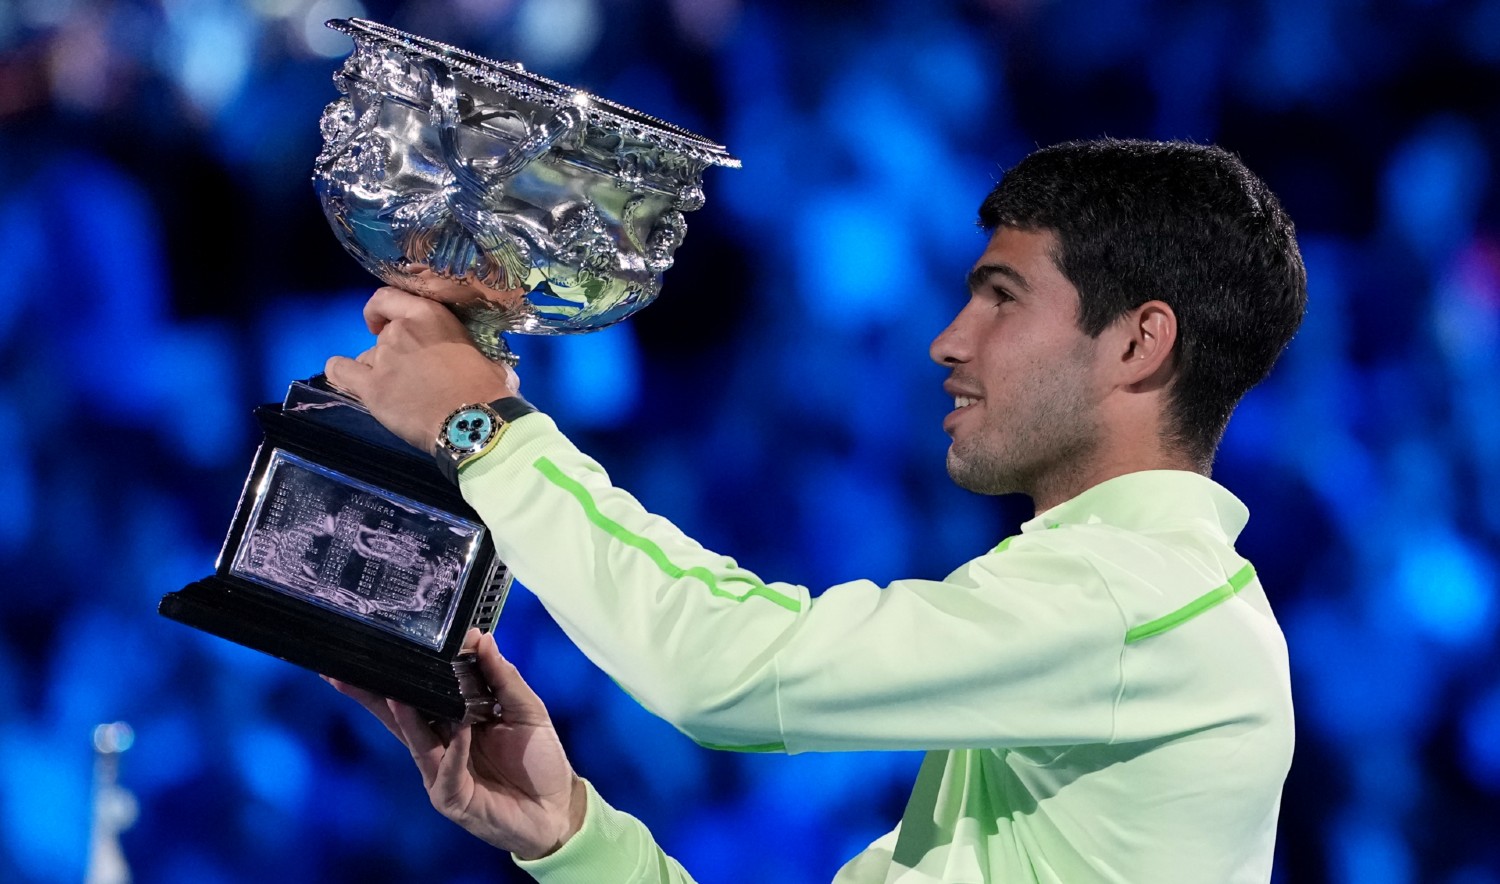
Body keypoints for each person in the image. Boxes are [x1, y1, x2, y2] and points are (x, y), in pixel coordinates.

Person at [323, 138, 1308, 883]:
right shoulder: (1133, 610)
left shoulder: (1138, 599)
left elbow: (727, 674)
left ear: (1139, 344)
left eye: (1002, 298)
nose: (949, 340)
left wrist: (486, 432)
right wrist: (574, 834)